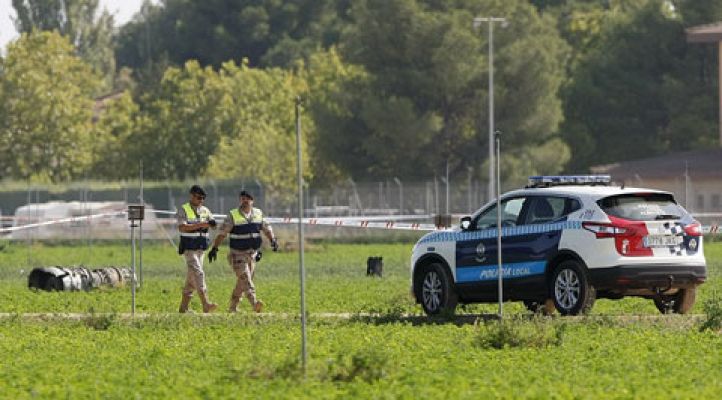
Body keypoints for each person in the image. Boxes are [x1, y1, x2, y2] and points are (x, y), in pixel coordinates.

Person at [208, 190, 278, 313]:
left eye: (247, 198)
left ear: (252, 201)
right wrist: (214, 248)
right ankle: (254, 303)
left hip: (252, 254)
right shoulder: (233, 215)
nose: (245, 201)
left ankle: (233, 307)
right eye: (242, 198)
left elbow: (266, 228)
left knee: (242, 282)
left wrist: (273, 240)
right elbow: (222, 233)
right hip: (237, 254)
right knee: (246, 278)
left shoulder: (258, 213)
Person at [176, 185, 218, 313]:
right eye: (198, 197)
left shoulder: (206, 210)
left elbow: (213, 225)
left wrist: (212, 224)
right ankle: (206, 303)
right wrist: (202, 224)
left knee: (192, 280)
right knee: (199, 273)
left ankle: (183, 308)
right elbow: (182, 227)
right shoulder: (184, 209)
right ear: (192, 195)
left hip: (201, 249)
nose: (201, 200)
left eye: (203, 198)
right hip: (189, 248)